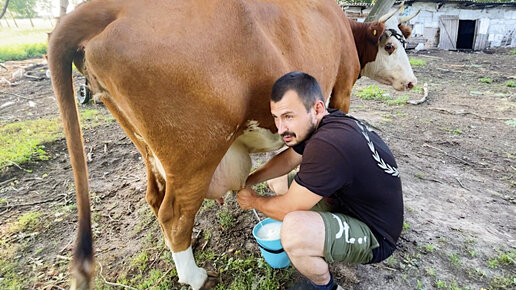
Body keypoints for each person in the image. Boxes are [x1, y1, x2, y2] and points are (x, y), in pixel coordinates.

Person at [237, 71, 403, 290]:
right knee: (277, 182)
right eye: (276, 117)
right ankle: (320, 237)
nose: (280, 129)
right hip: (353, 202)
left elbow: (287, 209)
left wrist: (254, 202)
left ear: (317, 108)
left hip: (377, 234)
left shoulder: (328, 146)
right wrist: (247, 181)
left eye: (288, 116)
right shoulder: (326, 122)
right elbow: (288, 159)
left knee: (293, 230)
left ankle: (326, 286)